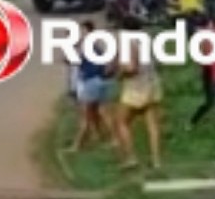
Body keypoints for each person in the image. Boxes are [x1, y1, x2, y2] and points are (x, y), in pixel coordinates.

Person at [116, 37, 164, 171]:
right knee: (152, 125)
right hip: (152, 85)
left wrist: (120, 74)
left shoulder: (128, 43)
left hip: (135, 89)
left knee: (122, 122)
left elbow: (132, 68)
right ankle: (156, 160)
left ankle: (131, 158)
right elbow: (159, 64)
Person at [68, 21, 112, 152]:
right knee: (101, 112)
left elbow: (74, 61)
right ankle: (112, 138)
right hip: (100, 81)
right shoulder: (98, 47)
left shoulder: (85, 48)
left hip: (89, 82)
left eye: (82, 31)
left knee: (85, 117)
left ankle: (76, 145)